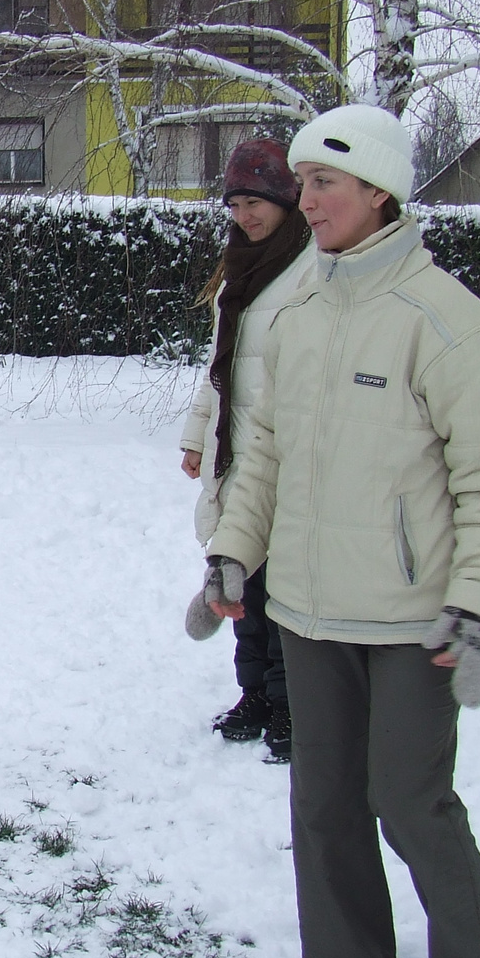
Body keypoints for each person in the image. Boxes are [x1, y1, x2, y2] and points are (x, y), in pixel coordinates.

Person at [184, 105, 480, 958]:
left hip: (414, 615)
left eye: (323, 182)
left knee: (411, 801)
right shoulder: (293, 314)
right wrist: (232, 555)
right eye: (301, 182)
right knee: (325, 801)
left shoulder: (447, 322)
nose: (305, 198)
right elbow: (260, 453)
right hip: (303, 605)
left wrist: (476, 604)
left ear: (379, 190)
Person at [180, 138, 312, 763]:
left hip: (290, 451)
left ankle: (291, 706)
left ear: (287, 199)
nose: (243, 214)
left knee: (285, 586)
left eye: (255, 200)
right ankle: (253, 694)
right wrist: (194, 435)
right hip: (237, 452)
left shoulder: (313, 269)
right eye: (234, 202)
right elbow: (221, 366)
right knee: (244, 581)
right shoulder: (238, 266)